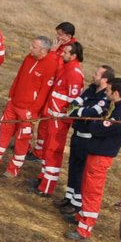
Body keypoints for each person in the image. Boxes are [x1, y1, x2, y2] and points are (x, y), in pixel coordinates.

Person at [65, 77, 121, 241]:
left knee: (92, 193)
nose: (106, 93)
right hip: (96, 153)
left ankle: (85, 229)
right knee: (87, 188)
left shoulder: (120, 113)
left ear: (116, 93)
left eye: (108, 91)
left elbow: (96, 128)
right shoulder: (114, 107)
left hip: (101, 157)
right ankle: (81, 218)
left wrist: (95, 121)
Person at [0, 36, 58, 175]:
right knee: (3, 132)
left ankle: (13, 169)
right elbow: (19, 76)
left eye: (34, 47)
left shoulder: (51, 64)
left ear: (43, 51)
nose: (30, 49)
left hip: (28, 110)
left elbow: (44, 92)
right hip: (13, 104)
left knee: (22, 139)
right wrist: (11, 95)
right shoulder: (29, 58)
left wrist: (33, 111)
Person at [61, 65, 114, 214]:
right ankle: (69, 197)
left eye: (97, 73)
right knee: (72, 166)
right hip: (77, 134)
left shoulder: (105, 97)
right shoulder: (90, 90)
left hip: (88, 140)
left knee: (80, 171)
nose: (93, 75)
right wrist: (78, 111)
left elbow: (93, 112)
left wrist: (77, 111)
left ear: (105, 79)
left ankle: (77, 203)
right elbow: (75, 103)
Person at [34, 41, 84, 196]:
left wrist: (61, 117)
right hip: (52, 117)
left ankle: (47, 187)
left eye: (66, 52)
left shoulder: (74, 74)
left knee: (53, 151)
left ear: (74, 56)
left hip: (59, 121)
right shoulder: (66, 68)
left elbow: (73, 102)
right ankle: (43, 178)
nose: (62, 54)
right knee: (46, 148)